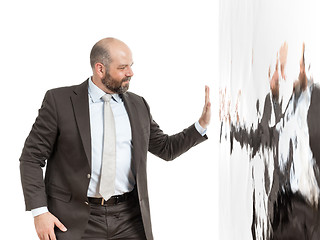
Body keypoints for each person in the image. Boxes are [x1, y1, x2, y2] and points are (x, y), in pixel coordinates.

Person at [19, 37, 211, 240]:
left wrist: (201, 125)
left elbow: (166, 148)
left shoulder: (138, 105)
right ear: (100, 69)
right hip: (74, 220)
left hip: (129, 219)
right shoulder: (60, 102)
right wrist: (39, 212)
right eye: (123, 67)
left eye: (131, 66)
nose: (130, 73)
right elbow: (31, 158)